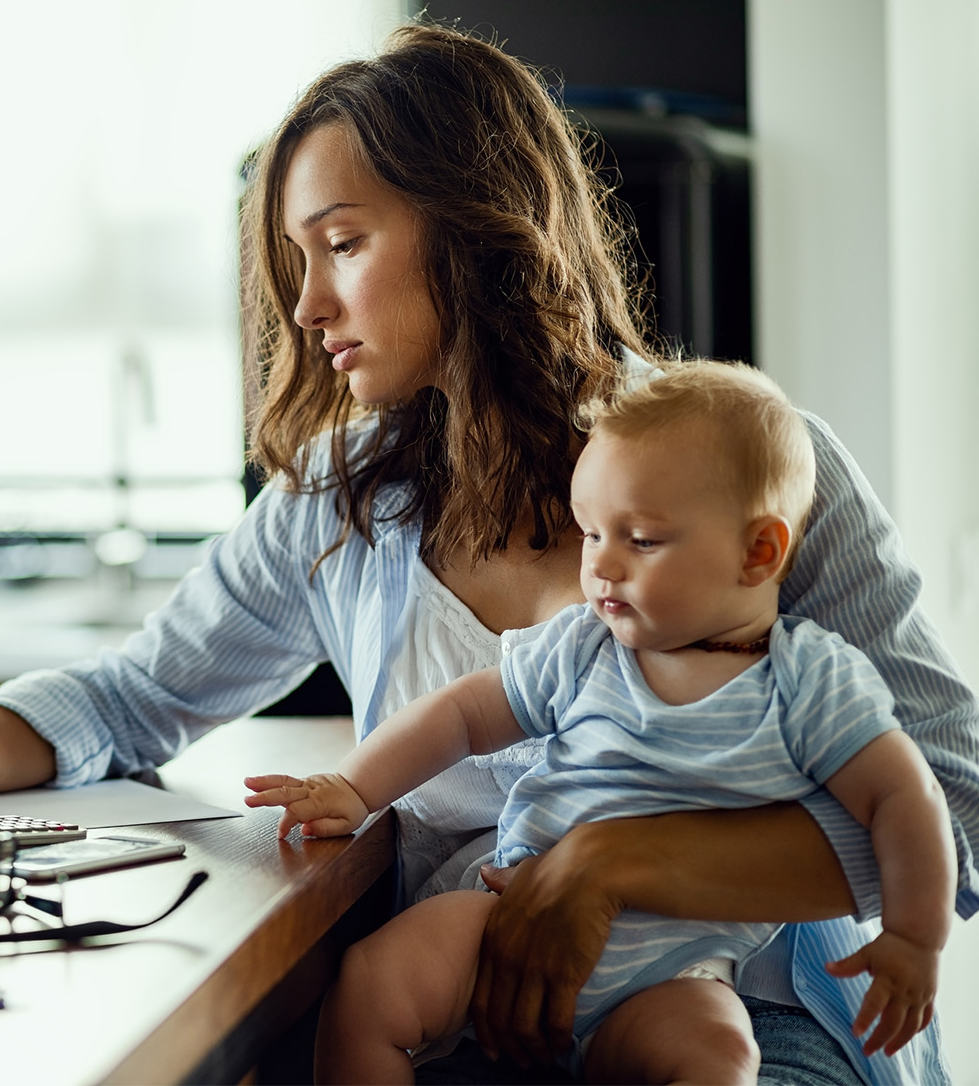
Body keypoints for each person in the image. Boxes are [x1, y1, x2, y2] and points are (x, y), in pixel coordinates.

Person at [0, 22, 979, 1085]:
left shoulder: (755, 475)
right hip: (471, 1021)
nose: (305, 308)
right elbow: (130, 698)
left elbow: (956, 807)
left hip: (754, 1013)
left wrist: (613, 864)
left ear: (474, 229)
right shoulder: (336, 500)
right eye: (295, 261)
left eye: (341, 243)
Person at [244, 360, 956, 1085]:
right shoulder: (586, 646)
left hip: (676, 977)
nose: (602, 568)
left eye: (640, 540)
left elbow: (910, 799)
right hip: (510, 919)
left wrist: (914, 938)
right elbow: (462, 716)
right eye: (591, 536)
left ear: (758, 552)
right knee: (371, 983)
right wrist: (354, 787)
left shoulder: (809, 682)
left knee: (723, 1060)